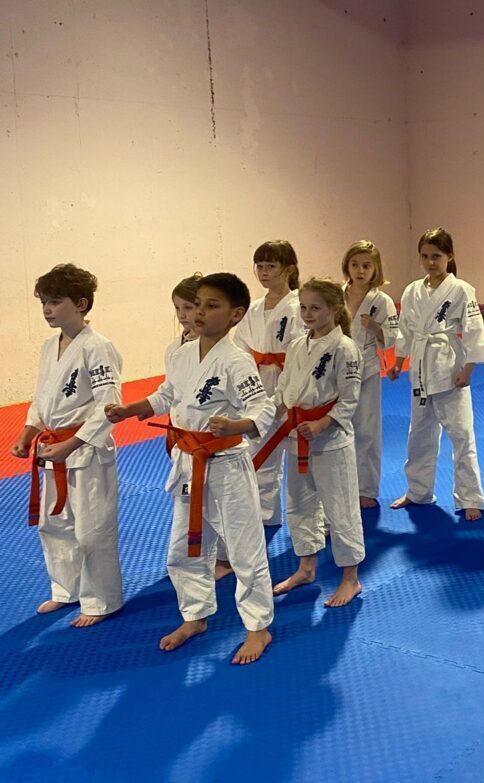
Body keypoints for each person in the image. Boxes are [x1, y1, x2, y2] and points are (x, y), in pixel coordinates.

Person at [106, 273, 276, 665]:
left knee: (244, 548)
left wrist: (236, 425)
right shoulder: (181, 354)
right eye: (197, 304)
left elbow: (262, 407)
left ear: (235, 315)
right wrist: (133, 409)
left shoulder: (236, 360)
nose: (199, 312)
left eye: (211, 306)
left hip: (226, 464)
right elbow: (168, 393)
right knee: (184, 547)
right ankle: (194, 616)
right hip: (187, 461)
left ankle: (258, 627)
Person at [10, 264, 124, 627]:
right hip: (52, 448)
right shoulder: (49, 347)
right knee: (54, 524)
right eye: (44, 302)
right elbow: (42, 398)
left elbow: (110, 405)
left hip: (86, 450)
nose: (47, 309)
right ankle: (66, 589)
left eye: (55, 301)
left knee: (92, 529)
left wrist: (72, 443)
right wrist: (28, 432)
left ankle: (102, 600)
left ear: (81, 304)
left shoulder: (98, 347)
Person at [255, 278, 366, 607]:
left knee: (340, 509)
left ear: (334, 309)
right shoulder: (296, 345)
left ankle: (351, 578)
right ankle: (306, 568)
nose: (307, 313)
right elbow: (283, 392)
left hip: (330, 442)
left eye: (315, 308)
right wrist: (260, 420)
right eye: (303, 307)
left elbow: (349, 399)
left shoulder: (345, 348)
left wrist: (321, 423)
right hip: (295, 437)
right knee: (300, 506)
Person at [387, 228, 484, 520]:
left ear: (450, 256)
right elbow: (406, 329)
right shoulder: (412, 290)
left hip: (449, 368)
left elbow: (474, 330)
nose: (431, 262)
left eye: (437, 256)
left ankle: (470, 497)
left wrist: (468, 369)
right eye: (425, 256)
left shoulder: (461, 290)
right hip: (420, 368)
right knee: (419, 434)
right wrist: (398, 362)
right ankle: (418, 491)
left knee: (462, 434)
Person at [233, 240, 306, 527]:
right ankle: (266, 515)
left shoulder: (299, 306)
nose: (263, 272)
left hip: (291, 385)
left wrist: (287, 394)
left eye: (271, 266)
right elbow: (240, 348)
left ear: (289, 269)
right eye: (259, 266)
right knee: (260, 452)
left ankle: (310, 519)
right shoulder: (253, 308)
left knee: (301, 457)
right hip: (257, 383)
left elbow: (303, 351)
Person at [341, 240, 399, 508]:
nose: (360, 270)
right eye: (355, 264)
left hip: (367, 370)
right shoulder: (336, 295)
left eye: (366, 265)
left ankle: (366, 489)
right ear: (347, 266)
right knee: (336, 430)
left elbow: (394, 336)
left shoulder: (381, 301)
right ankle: (340, 486)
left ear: (376, 269)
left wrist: (376, 328)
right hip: (336, 370)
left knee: (367, 430)